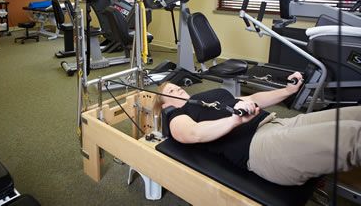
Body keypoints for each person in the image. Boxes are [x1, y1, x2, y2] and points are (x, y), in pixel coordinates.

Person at [153, 72, 361, 186]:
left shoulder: (205, 96)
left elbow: (252, 99)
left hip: (277, 123)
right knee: (352, 136)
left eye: (177, 86)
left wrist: (288, 90)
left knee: (354, 115)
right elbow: (193, 133)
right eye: (171, 91)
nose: (178, 88)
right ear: (165, 105)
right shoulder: (177, 116)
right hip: (261, 148)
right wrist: (234, 121)